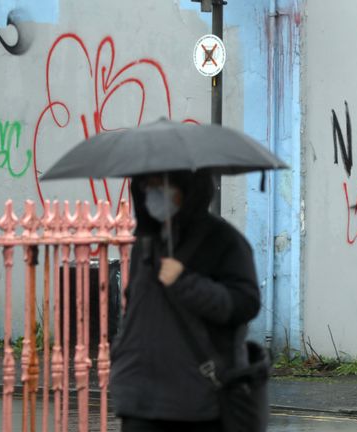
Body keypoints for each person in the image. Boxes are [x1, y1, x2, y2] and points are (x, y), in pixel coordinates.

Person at [110, 170, 261, 432]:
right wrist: (122, 353)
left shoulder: (224, 241)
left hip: (195, 400)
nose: (153, 193)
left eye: (162, 185)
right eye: (148, 186)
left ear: (188, 190)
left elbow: (244, 304)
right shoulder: (146, 243)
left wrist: (186, 282)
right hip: (139, 396)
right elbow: (135, 304)